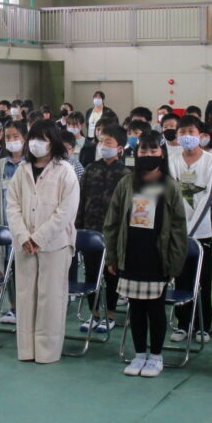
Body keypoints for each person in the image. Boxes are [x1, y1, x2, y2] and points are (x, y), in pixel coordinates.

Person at [104, 131, 188, 378]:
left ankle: (156, 356)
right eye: (143, 150)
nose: (148, 154)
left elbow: (178, 228)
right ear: (136, 153)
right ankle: (139, 354)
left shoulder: (170, 185)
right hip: (131, 254)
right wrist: (112, 256)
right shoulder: (126, 183)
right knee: (136, 309)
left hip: (157, 257)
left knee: (155, 309)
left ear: (162, 154)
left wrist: (174, 262)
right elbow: (112, 222)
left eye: (153, 150)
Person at [7, 120, 80, 364]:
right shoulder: (22, 170)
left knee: (51, 298)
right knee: (26, 297)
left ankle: (47, 352)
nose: (36, 143)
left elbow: (66, 211)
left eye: (43, 139)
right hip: (25, 245)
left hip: (55, 244)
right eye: (33, 138)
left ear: (53, 141)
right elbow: (12, 206)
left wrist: (39, 237)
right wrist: (23, 236)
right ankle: (27, 349)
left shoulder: (65, 171)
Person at [75, 124, 130, 334]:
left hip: (113, 234)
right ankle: (94, 313)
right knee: (90, 272)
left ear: (119, 148)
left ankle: (111, 314)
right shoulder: (91, 169)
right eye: (101, 141)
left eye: (109, 142)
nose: (103, 145)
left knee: (111, 273)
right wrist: (78, 228)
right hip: (90, 230)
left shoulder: (125, 174)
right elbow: (80, 199)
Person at [169, 115, 212, 343]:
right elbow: (172, 192)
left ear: (200, 135)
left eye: (191, 132)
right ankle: (183, 324)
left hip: (202, 232)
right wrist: (181, 227)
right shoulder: (173, 160)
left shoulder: (211, 161)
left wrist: (190, 229)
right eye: (182, 132)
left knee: (203, 281)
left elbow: (209, 196)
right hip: (178, 230)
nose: (186, 136)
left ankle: (203, 326)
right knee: (181, 279)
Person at [0, 120, 28, 325]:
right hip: (5, 227)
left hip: (25, 228)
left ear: (25, 138)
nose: (11, 141)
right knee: (8, 268)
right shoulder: (1, 165)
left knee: (25, 269)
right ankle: (13, 308)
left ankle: (27, 309)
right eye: (8, 137)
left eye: (16, 137)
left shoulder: (30, 165)